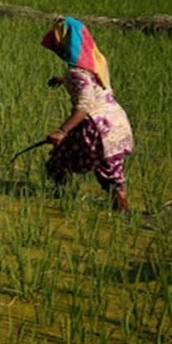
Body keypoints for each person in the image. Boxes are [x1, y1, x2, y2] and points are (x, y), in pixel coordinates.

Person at [41, 16, 133, 211]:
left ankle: (62, 201)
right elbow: (92, 83)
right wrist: (63, 79)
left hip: (96, 128)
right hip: (116, 123)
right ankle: (124, 217)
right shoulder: (96, 62)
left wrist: (61, 131)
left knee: (58, 163)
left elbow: (84, 105)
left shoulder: (77, 73)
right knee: (113, 177)